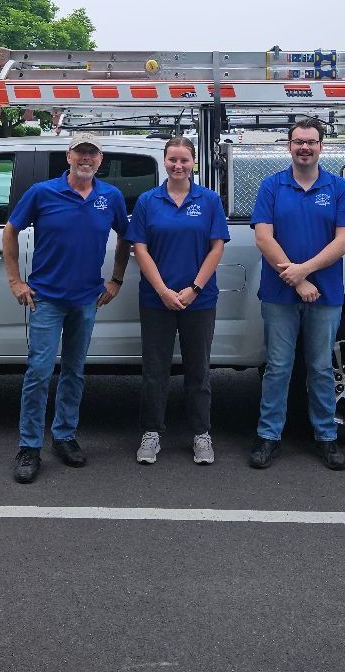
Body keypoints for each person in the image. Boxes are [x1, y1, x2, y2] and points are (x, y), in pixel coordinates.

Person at [3, 131, 130, 484]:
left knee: (74, 371)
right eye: (80, 152)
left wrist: (116, 278)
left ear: (100, 160)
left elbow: (126, 237)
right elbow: (10, 230)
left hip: (86, 299)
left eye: (93, 153)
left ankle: (64, 436)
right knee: (40, 372)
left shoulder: (110, 197)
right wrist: (15, 281)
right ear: (68, 156)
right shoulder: (42, 193)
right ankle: (29, 446)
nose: (86, 159)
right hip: (45, 298)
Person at [248, 117, 345, 471]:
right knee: (278, 367)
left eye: (311, 142)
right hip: (280, 294)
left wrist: (305, 270)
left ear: (321, 146)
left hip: (325, 294)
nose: (304, 147)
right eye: (298, 142)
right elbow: (264, 237)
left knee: (322, 368)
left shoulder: (338, 188)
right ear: (289, 146)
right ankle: (269, 437)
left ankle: (326, 438)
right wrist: (295, 279)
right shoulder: (272, 186)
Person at [126, 137, 230, 466]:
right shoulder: (147, 201)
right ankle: (151, 433)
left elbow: (216, 247)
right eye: (173, 159)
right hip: (156, 300)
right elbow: (139, 248)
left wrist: (194, 289)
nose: (178, 165)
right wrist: (163, 291)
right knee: (155, 371)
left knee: (198, 371)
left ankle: (201, 434)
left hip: (198, 300)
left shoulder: (209, 200)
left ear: (193, 162)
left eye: (184, 159)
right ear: (165, 161)